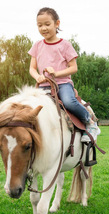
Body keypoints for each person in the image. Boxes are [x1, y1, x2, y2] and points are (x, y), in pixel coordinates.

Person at [28, 7, 100, 142]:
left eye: (47, 24)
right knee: (29, 107)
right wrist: (37, 76)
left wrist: (56, 73)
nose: (43, 28)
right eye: (40, 25)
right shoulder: (37, 45)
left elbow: (73, 68)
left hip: (62, 84)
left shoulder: (65, 45)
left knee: (68, 102)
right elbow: (32, 68)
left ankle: (90, 122)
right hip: (43, 85)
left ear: (57, 24)